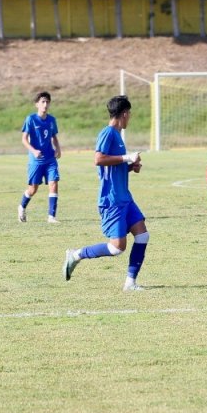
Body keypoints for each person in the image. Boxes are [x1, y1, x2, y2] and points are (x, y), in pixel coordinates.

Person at [64, 96, 149, 292]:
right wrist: (127, 157)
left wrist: (130, 166)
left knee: (143, 235)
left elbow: (113, 167)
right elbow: (99, 159)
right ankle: (75, 255)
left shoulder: (117, 136)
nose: (130, 118)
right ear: (124, 114)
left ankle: (130, 283)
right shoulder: (108, 133)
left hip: (125, 198)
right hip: (112, 200)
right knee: (116, 248)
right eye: (130, 114)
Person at [19, 92, 62, 224]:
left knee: (54, 183)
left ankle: (51, 217)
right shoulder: (30, 119)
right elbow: (24, 139)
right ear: (37, 104)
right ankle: (22, 207)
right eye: (43, 102)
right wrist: (33, 151)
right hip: (36, 161)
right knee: (33, 189)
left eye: (47, 102)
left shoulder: (51, 120)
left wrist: (58, 148)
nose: (45, 104)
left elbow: (53, 136)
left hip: (50, 159)